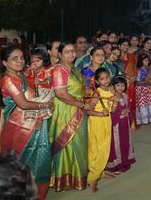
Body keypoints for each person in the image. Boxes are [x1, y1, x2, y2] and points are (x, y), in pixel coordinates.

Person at [0, 47, 53, 200]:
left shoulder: (21, 75)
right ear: (4, 62)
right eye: (15, 58)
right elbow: (23, 104)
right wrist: (45, 105)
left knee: (37, 162)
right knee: (22, 163)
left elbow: (32, 93)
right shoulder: (8, 80)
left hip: (32, 124)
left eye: (21, 57)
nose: (20, 61)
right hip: (19, 129)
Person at [50, 42, 91, 191]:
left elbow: (78, 87)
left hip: (77, 107)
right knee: (66, 142)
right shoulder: (59, 70)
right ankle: (63, 179)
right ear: (60, 54)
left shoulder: (73, 67)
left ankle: (77, 177)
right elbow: (60, 94)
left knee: (78, 143)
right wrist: (82, 105)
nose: (71, 54)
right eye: (67, 52)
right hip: (65, 110)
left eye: (73, 51)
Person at [86, 68, 115, 192]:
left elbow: (112, 110)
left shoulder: (111, 91)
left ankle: (100, 172)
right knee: (98, 150)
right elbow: (88, 110)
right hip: (96, 122)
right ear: (97, 81)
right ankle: (93, 178)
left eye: (107, 77)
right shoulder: (97, 94)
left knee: (105, 148)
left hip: (106, 121)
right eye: (102, 79)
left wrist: (115, 104)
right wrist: (100, 114)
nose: (106, 81)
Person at [107, 76, 136, 174]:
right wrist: (120, 113)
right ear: (113, 86)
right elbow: (110, 111)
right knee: (116, 143)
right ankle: (116, 164)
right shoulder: (112, 96)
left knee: (125, 141)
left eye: (122, 85)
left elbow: (128, 107)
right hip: (116, 124)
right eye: (118, 85)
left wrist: (129, 116)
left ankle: (125, 160)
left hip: (125, 123)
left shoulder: (125, 95)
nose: (120, 87)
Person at [135, 54, 151, 125]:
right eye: (145, 60)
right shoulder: (139, 70)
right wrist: (145, 81)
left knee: (149, 103)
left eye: (148, 60)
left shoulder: (148, 69)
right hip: (141, 89)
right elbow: (137, 81)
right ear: (141, 61)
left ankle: (149, 118)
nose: (147, 61)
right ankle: (143, 120)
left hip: (148, 88)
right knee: (142, 103)